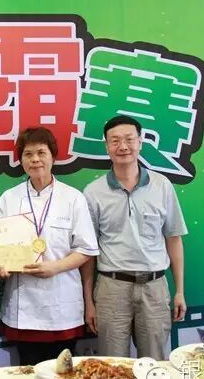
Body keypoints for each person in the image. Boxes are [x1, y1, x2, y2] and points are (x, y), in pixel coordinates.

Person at [81, 115, 188, 360]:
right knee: (113, 365)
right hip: (111, 288)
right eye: (115, 141)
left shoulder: (162, 185)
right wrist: (89, 302)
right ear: (106, 146)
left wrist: (179, 291)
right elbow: (88, 252)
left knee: (154, 365)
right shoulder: (93, 193)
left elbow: (173, 238)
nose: (123, 146)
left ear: (140, 142)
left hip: (154, 287)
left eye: (129, 139)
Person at [0, 127, 99, 365]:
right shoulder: (9, 199)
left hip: (62, 305)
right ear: (21, 160)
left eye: (41, 152)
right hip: (23, 307)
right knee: (28, 375)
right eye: (28, 154)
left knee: (62, 372)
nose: (35, 159)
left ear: (53, 157)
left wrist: (55, 267)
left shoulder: (73, 198)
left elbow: (86, 250)